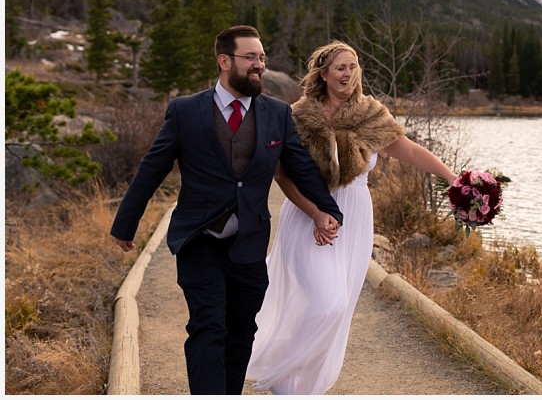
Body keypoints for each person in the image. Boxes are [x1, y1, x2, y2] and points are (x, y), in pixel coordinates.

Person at [110, 25, 343, 395]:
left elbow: (301, 169)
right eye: (251, 57)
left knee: (240, 332)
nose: (259, 65)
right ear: (224, 61)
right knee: (208, 326)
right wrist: (126, 224)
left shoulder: (277, 115)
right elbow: (152, 167)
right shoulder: (185, 111)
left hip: (249, 242)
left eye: (262, 58)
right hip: (199, 239)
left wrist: (328, 211)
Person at [246, 40, 458, 394]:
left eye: (353, 66)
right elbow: (281, 174)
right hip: (306, 216)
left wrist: (452, 179)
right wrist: (313, 212)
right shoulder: (298, 115)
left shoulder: (371, 115)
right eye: (340, 67)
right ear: (324, 73)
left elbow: (409, 151)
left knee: (334, 309)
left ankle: (298, 387)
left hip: (355, 220)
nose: (348, 73)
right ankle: (280, 368)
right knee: (329, 303)